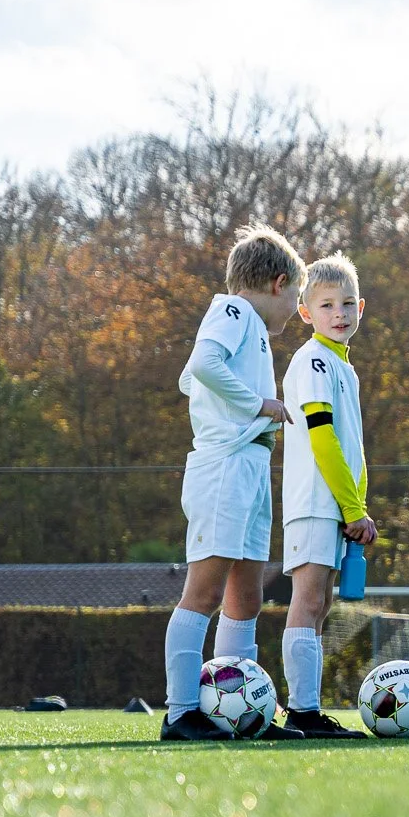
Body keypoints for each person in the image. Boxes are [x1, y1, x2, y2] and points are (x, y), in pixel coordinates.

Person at [160, 226, 305, 741]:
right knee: (203, 592)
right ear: (277, 283)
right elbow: (202, 365)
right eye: (295, 297)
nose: (294, 310)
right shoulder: (233, 310)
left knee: (247, 595)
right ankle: (180, 714)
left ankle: (241, 712)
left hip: (250, 465)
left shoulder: (248, 327)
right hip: (224, 466)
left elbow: (189, 377)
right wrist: (256, 404)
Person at [278, 255, 376, 736]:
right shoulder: (314, 358)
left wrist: (355, 508)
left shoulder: (342, 366)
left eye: (346, 305)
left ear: (360, 307)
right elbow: (322, 438)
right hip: (314, 502)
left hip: (333, 507)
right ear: (306, 313)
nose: (339, 314)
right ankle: (301, 712)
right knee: (309, 601)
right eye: (326, 305)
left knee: (318, 605)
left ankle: (306, 708)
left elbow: (349, 446)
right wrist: (352, 507)